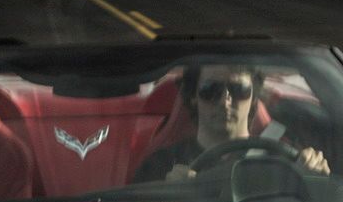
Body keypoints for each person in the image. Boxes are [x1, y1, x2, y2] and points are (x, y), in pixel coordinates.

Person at [135, 60, 331, 185]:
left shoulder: (287, 162)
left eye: (239, 89)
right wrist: (165, 195)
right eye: (211, 89)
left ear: (254, 96)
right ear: (193, 96)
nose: (225, 101)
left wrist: (315, 177)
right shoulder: (160, 166)